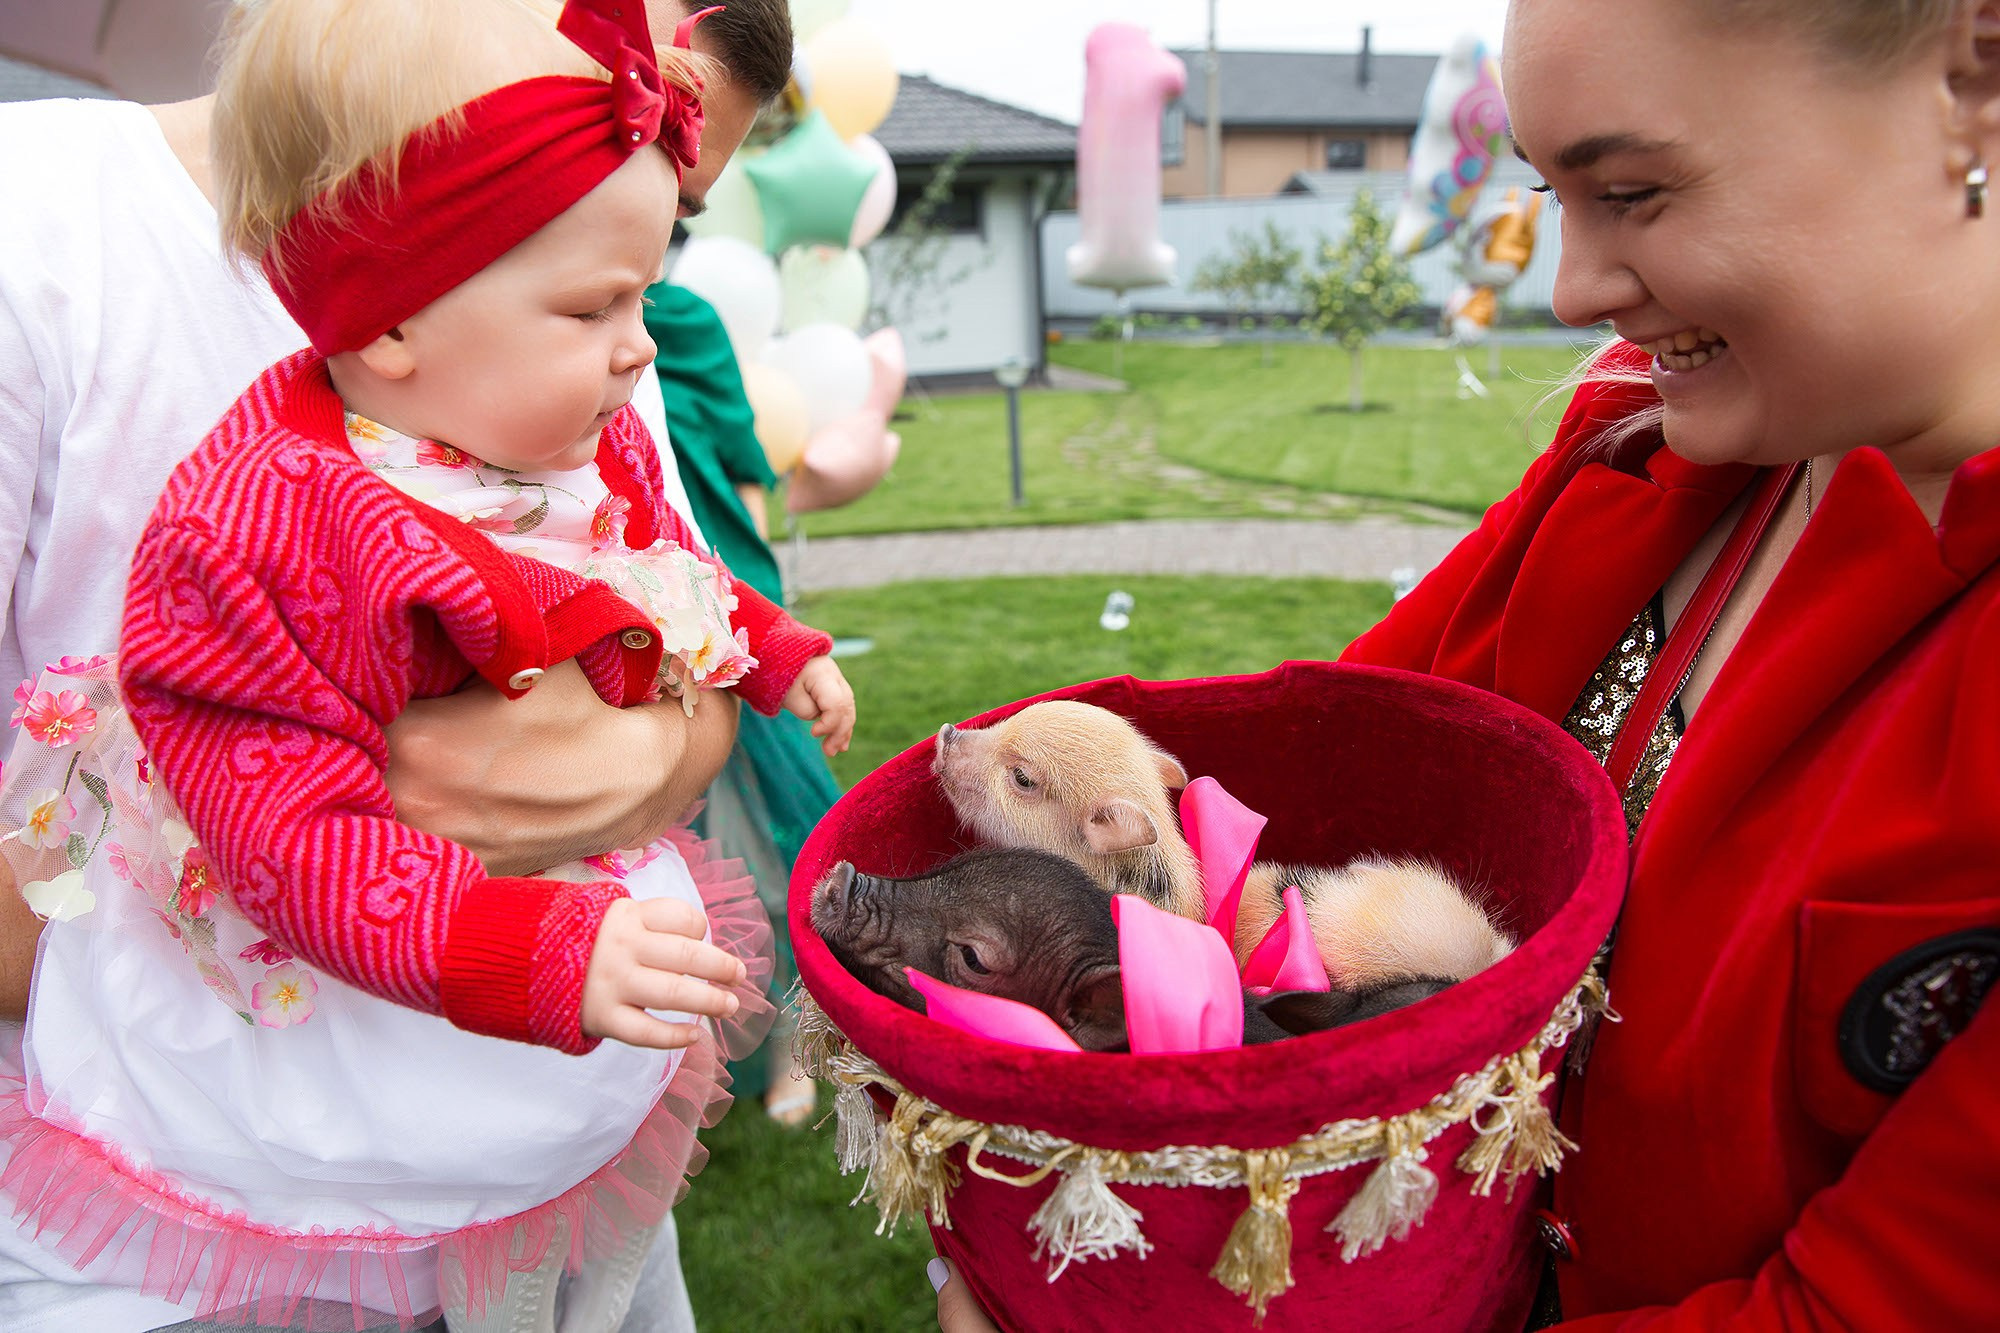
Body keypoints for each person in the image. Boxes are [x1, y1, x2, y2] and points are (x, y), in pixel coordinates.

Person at [937, 0, 2000, 1326]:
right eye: (1556, 195)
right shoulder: (1637, 454)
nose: (1571, 286)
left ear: (1976, 80)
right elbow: (1316, 766)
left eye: (1633, 191)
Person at [0, 0, 800, 1328]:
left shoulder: (566, 312)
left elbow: (661, 582)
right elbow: (282, 820)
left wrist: (711, 701)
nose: (638, 330)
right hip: (208, 1197)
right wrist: (259, 855)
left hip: (528, 1156)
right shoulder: (53, 238)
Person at [643, 283, 846, 1126]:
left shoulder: (682, 319)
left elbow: (739, 469)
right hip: (622, 627)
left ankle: (797, 1046)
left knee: (779, 842)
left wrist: (763, 603)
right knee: (663, 859)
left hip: (723, 608)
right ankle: (674, 1061)